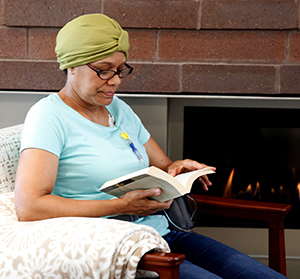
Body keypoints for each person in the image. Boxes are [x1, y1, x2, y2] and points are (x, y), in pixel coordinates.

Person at [14, 14, 287, 279]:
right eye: (104, 70)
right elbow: (31, 207)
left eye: (121, 70)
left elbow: (162, 165)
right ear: (71, 65)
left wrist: (177, 168)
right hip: (116, 246)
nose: (116, 81)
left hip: (162, 233)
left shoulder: (118, 109)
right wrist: (120, 205)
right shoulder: (49, 117)